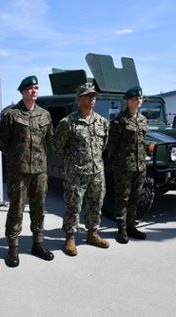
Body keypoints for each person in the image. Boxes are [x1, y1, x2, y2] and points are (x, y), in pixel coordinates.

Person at [0, 75, 54, 267]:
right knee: (16, 209)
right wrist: (16, 158)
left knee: (39, 209)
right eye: (30, 88)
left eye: (36, 87)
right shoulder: (12, 115)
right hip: (18, 172)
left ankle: (38, 243)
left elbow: (49, 140)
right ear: (22, 91)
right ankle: (13, 248)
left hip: (39, 172)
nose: (34, 91)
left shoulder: (45, 115)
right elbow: (1, 142)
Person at [53, 83, 110, 256]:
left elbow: (104, 146)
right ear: (78, 99)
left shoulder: (102, 122)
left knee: (96, 204)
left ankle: (92, 233)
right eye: (87, 96)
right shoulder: (67, 123)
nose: (92, 98)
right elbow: (57, 147)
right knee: (73, 205)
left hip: (97, 172)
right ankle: (70, 237)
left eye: (93, 96)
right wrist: (72, 162)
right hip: (76, 173)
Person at [107, 86, 149, 244]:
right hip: (124, 167)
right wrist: (118, 164)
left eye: (139, 98)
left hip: (140, 167)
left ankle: (131, 226)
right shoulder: (120, 121)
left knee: (135, 198)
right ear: (128, 101)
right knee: (122, 198)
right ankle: (122, 229)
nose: (137, 101)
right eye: (134, 99)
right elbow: (112, 146)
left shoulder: (143, 120)